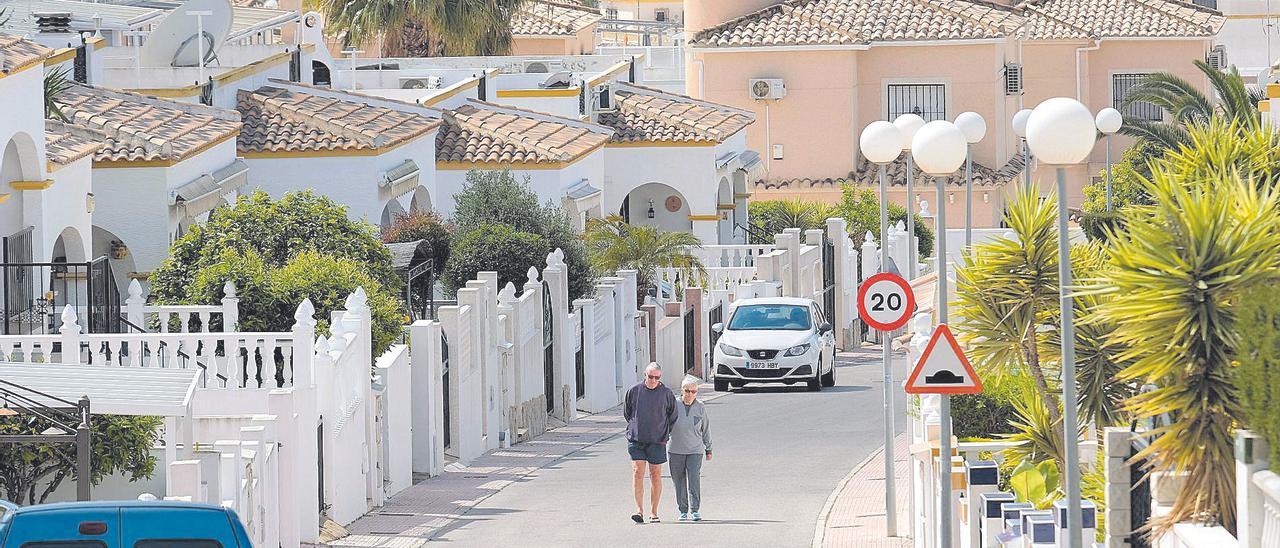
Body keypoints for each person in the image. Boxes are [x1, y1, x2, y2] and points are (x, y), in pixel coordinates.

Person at [624, 363, 677, 524]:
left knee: (655, 475)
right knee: (637, 473)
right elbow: (628, 413)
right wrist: (636, 426)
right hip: (636, 439)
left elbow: (672, 416)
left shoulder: (667, 393)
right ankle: (639, 510)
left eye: (657, 377)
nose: (653, 380)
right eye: (651, 376)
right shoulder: (634, 391)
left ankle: (654, 512)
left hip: (657, 440)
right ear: (644, 375)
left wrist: (664, 432)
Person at [669, 375, 713, 522]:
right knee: (678, 480)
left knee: (694, 478)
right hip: (675, 449)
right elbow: (665, 424)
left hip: (695, 450)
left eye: (693, 391)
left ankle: (695, 510)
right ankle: (683, 509)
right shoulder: (674, 405)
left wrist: (709, 448)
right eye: (687, 391)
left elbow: (705, 428)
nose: (690, 394)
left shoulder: (700, 406)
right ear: (682, 391)